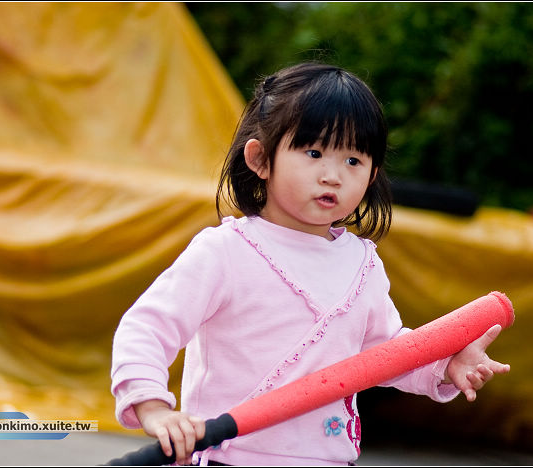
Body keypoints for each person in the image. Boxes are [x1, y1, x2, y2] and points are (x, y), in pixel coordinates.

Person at [110, 62, 510, 466]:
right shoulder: (226, 251)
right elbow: (148, 327)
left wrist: (445, 365)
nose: (333, 176)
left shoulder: (363, 265)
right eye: (314, 153)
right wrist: (153, 407)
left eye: (353, 161)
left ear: (372, 175)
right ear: (260, 159)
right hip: (229, 456)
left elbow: (387, 355)